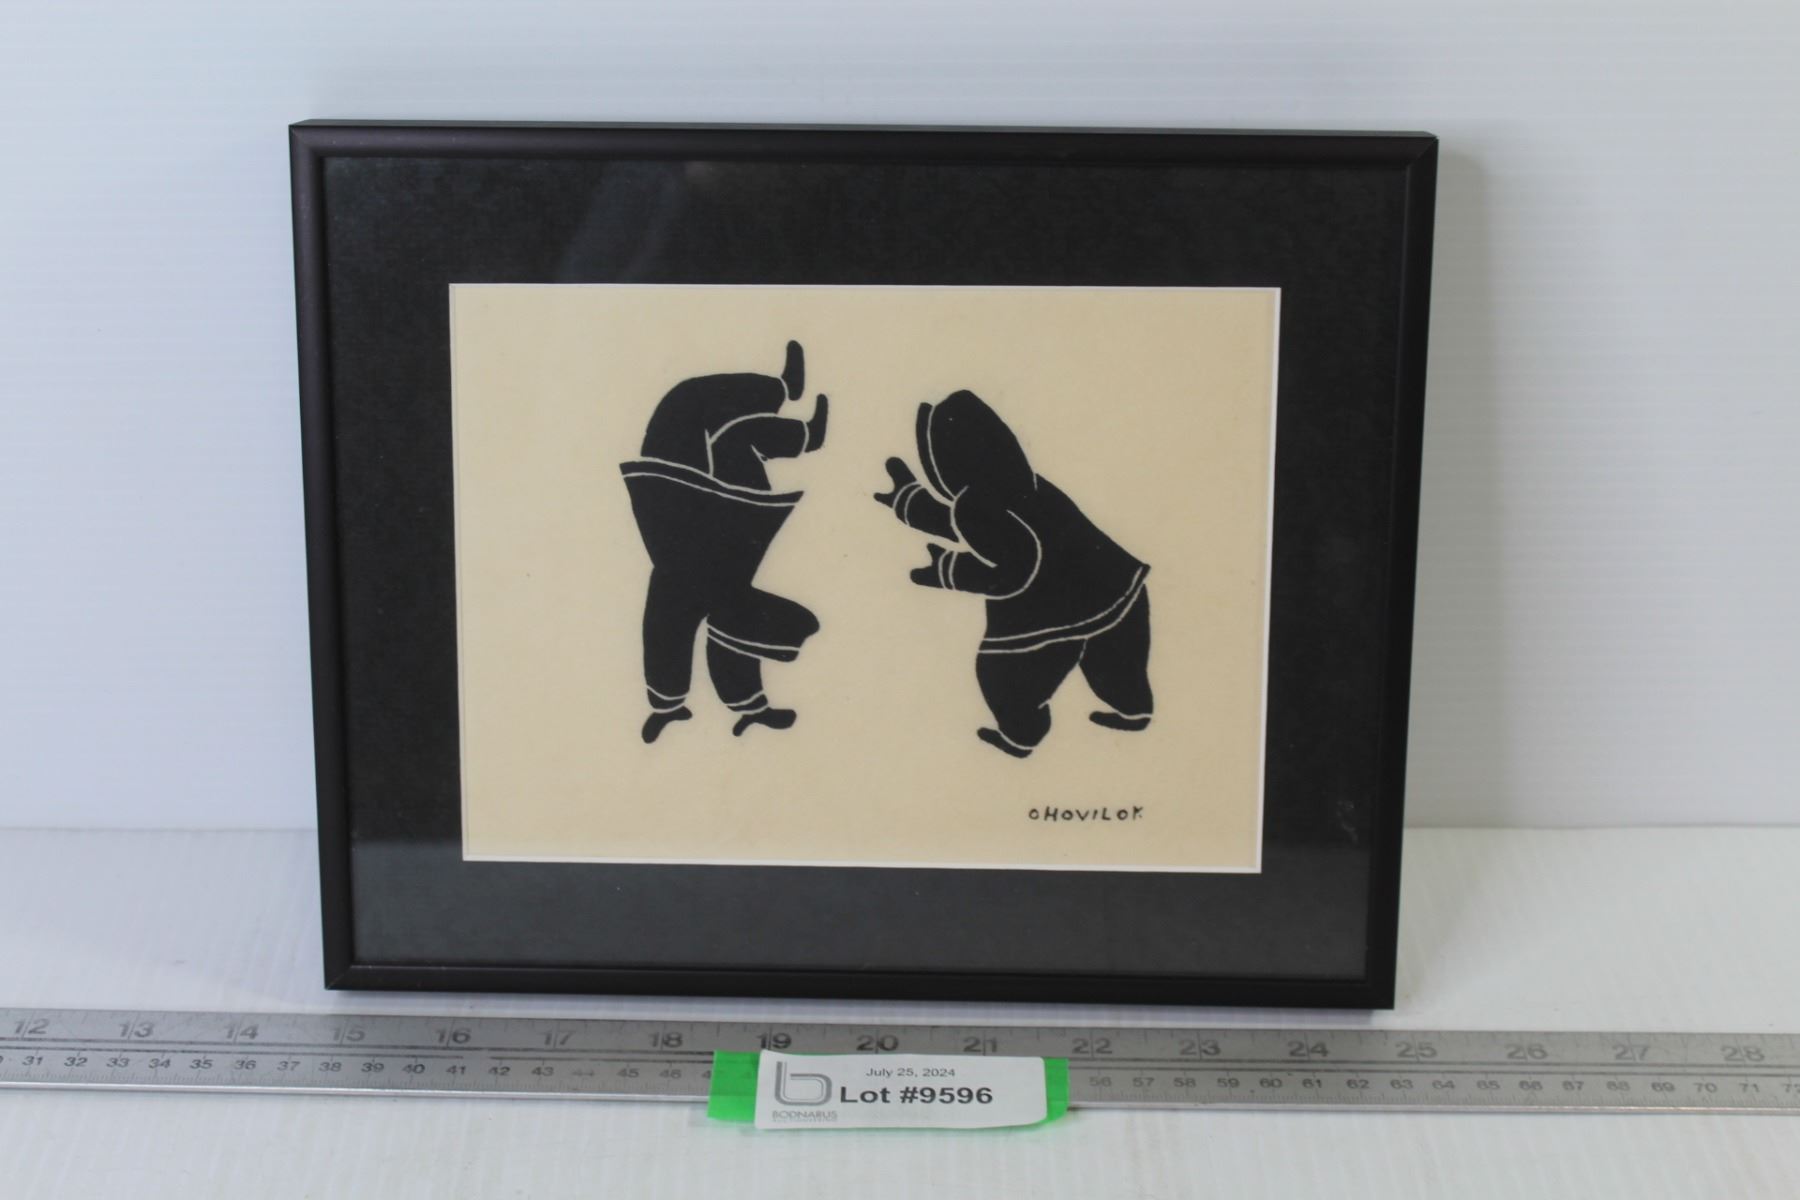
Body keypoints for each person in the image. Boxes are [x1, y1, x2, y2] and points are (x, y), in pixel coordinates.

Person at [875, 390, 1152, 757]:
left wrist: (947, 570)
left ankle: (1021, 737)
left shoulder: (977, 503)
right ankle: (1134, 710)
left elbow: (1012, 572)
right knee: (1116, 661)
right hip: (1118, 585)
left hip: (1057, 605)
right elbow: (972, 526)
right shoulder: (1021, 484)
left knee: (1003, 675)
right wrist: (909, 503)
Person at [621, 341, 829, 743]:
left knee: (701, 413)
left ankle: (790, 409)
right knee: (712, 420)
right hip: (704, 520)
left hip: (698, 520)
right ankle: (789, 407)